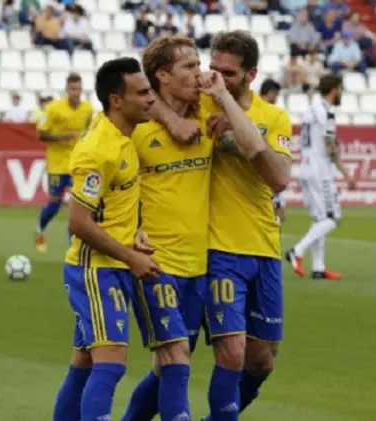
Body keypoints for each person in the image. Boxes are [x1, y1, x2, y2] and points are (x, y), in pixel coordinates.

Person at [156, 30, 292, 421]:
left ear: (251, 74)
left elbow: (278, 177)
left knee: (262, 361)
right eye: (211, 67)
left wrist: (230, 116)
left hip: (264, 247)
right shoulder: (196, 104)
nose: (214, 77)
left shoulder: (273, 116)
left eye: (227, 73)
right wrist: (170, 117)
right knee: (223, 353)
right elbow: (146, 100)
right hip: (218, 250)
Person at [51, 57, 160, 421]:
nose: (150, 98)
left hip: (109, 266)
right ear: (117, 100)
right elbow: (78, 222)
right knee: (111, 362)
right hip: (96, 270)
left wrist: (136, 234)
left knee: (84, 361)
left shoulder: (121, 134)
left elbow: (113, 205)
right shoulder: (99, 150)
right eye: (142, 92)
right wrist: (131, 257)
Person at [120, 35, 209, 421]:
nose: (198, 73)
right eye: (189, 66)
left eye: (198, 64)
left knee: (166, 366)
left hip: (200, 264)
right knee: (176, 355)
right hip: (154, 263)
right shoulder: (134, 130)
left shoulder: (209, 117)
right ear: (162, 76)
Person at [285, 74, 356, 280]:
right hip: (320, 172)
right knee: (333, 217)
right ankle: (297, 251)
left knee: (319, 218)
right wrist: (346, 174)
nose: (341, 93)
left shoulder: (309, 110)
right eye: (341, 89)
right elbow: (330, 146)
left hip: (306, 168)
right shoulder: (327, 114)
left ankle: (318, 266)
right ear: (334, 89)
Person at [35, 73, 94, 252]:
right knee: (55, 202)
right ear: (67, 90)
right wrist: (61, 136)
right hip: (57, 163)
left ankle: (73, 248)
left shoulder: (87, 109)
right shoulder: (53, 109)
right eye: (72, 89)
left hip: (78, 163)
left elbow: (89, 130)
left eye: (78, 89)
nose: (76, 93)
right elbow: (40, 134)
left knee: (77, 204)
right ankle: (39, 229)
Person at [259, 79, 288, 225]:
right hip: (267, 172)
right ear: (270, 93)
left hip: (265, 171)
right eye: (276, 94)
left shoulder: (255, 110)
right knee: (277, 216)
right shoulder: (269, 114)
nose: (276, 98)